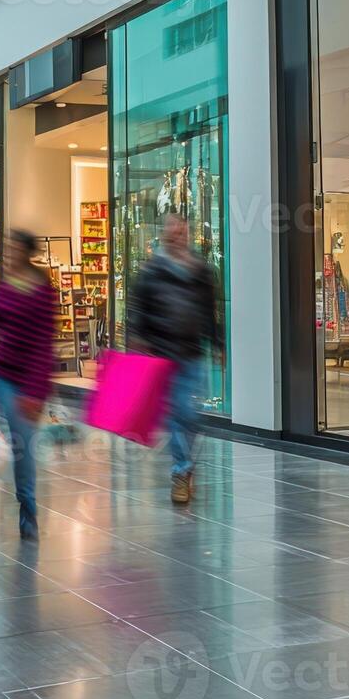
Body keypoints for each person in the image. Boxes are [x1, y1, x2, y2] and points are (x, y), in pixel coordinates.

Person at [128, 213, 224, 505]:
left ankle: (184, 466)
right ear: (164, 235)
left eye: (180, 231)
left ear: (187, 234)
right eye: (171, 231)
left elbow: (210, 310)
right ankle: (181, 471)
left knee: (191, 416)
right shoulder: (151, 270)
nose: (176, 235)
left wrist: (218, 343)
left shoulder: (201, 271)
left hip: (193, 352)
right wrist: (137, 338)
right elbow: (138, 308)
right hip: (163, 354)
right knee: (177, 413)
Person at [0, 230, 58, 540]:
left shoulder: (42, 291)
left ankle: (28, 508)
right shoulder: (6, 285)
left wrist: (37, 393)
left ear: (25, 251)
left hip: (28, 380)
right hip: (1, 376)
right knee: (16, 438)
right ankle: (23, 500)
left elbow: (44, 345)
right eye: (5, 249)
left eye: (11, 248)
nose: (7, 253)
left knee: (22, 446)